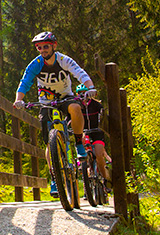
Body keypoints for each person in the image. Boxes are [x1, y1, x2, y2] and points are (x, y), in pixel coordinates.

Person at [13, 31, 97, 197]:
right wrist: (18, 100)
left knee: (75, 108)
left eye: (46, 46)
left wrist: (90, 87)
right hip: (46, 101)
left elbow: (79, 73)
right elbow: (25, 82)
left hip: (66, 97)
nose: (43, 50)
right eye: (39, 47)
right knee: (49, 141)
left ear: (53, 46)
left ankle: (79, 142)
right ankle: (54, 177)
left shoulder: (63, 60)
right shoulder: (36, 64)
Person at [76, 83, 112, 191]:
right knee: (83, 152)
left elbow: (104, 116)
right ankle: (86, 181)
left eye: (84, 93)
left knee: (99, 155)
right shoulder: (77, 106)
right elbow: (70, 118)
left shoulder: (96, 105)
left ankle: (105, 180)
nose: (83, 95)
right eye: (80, 93)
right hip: (84, 133)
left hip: (97, 132)